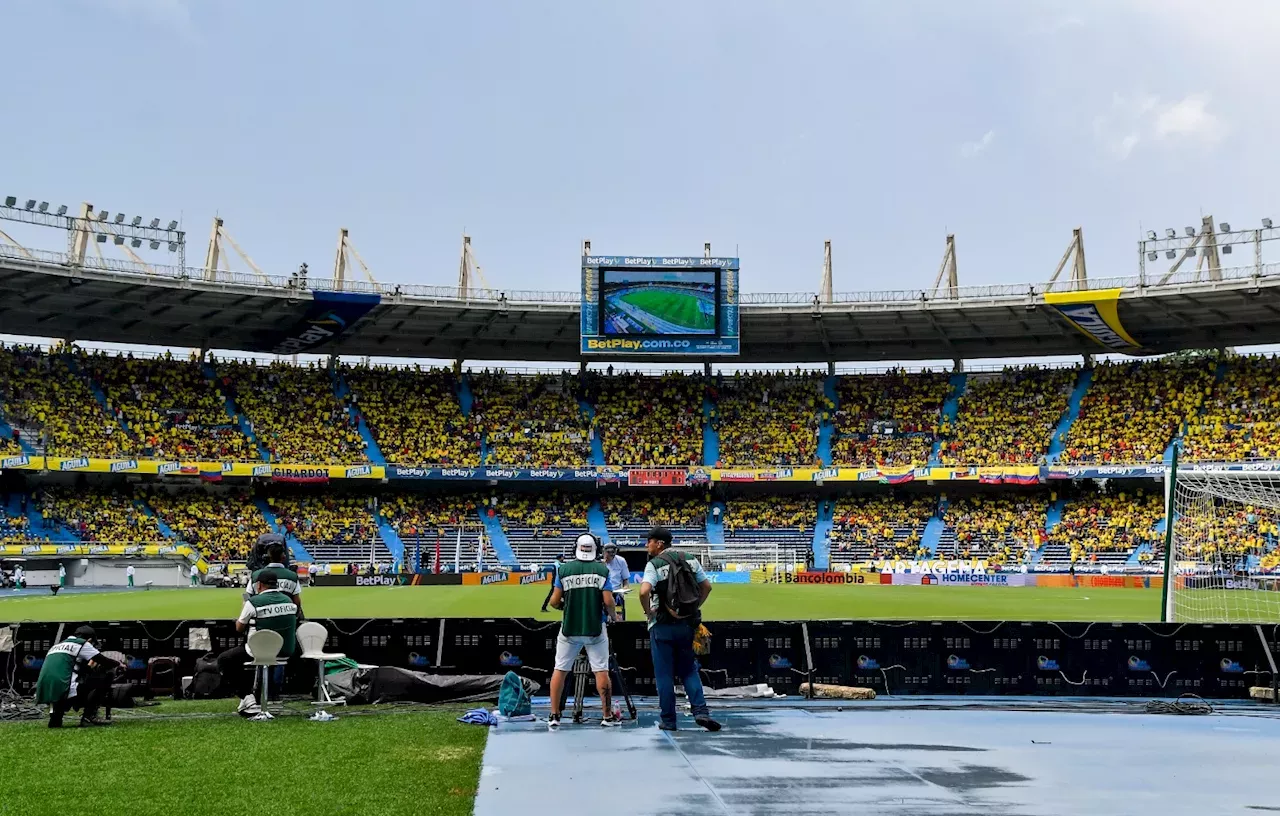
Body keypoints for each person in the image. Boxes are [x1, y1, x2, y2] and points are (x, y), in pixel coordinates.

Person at [639, 526, 720, 732]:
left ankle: (669, 720)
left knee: (664, 674)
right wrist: (693, 609)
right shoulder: (690, 558)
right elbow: (707, 587)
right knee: (689, 671)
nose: (646, 544)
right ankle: (701, 712)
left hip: (662, 625)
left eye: (650, 540)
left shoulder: (654, 564)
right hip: (687, 624)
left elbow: (644, 591)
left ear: (660, 543)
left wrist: (649, 612)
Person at [545, 533, 617, 729]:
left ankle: (554, 715)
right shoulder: (602, 570)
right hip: (595, 628)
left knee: (560, 670)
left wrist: (565, 608)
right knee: (601, 670)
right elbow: (609, 601)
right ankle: (607, 716)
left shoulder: (564, 569)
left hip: (569, 629)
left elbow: (553, 601)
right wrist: (613, 615)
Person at [216, 572, 299, 717]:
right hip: (285, 651)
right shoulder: (289, 601)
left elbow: (239, 627)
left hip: (259, 651)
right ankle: (249, 700)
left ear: (259, 585)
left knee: (225, 659)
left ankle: (247, 696)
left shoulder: (253, 602)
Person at [35, 625, 114, 728]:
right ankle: (88, 716)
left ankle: (56, 717)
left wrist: (88, 666)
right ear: (89, 640)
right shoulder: (82, 644)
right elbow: (105, 661)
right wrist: (119, 664)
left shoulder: (56, 646)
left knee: (55, 723)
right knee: (108, 674)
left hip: (46, 691)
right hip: (66, 689)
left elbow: (71, 669)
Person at [603, 543, 630, 621]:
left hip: (617, 594)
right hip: (603, 594)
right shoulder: (599, 562)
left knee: (618, 620)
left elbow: (625, 579)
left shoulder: (621, 561)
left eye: (613, 553)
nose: (611, 555)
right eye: (609, 553)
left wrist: (625, 588)